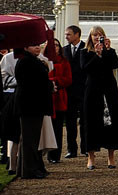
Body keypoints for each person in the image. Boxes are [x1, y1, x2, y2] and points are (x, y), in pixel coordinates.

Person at [80, 26, 118, 169]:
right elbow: (85, 69)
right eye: (94, 35)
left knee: (112, 123)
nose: (97, 37)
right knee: (91, 123)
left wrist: (108, 51)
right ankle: (91, 157)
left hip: (109, 90)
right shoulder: (85, 53)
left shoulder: (110, 51)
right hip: (93, 90)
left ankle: (111, 156)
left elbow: (116, 65)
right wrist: (97, 55)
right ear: (90, 37)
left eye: (100, 35)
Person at [12, 42, 51, 179]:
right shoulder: (26, 61)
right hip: (30, 105)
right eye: (33, 45)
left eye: (38, 45)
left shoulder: (31, 60)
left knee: (31, 139)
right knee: (30, 140)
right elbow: (33, 83)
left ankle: (27, 169)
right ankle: (29, 170)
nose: (37, 47)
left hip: (33, 105)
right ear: (25, 47)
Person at [44, 36, 72, 164]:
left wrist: (57, 82)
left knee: (58, 127)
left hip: (59, 97)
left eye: (57, 45)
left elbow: (68, 79)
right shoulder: (43, 61)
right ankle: (46, 153)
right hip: (47, 97)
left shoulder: (64, 61)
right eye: (52, 45)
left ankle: (55, 155)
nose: (55, 47)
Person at [61, 25, 86, 159]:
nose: (66, 37)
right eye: (66, 34)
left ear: (77, 35)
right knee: (70, 122)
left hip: (83, 91)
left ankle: (85, 148)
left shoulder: (86, 48)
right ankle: (72, 149)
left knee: (84, 121)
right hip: (69, 92)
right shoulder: (64, 51)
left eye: (69, 34)